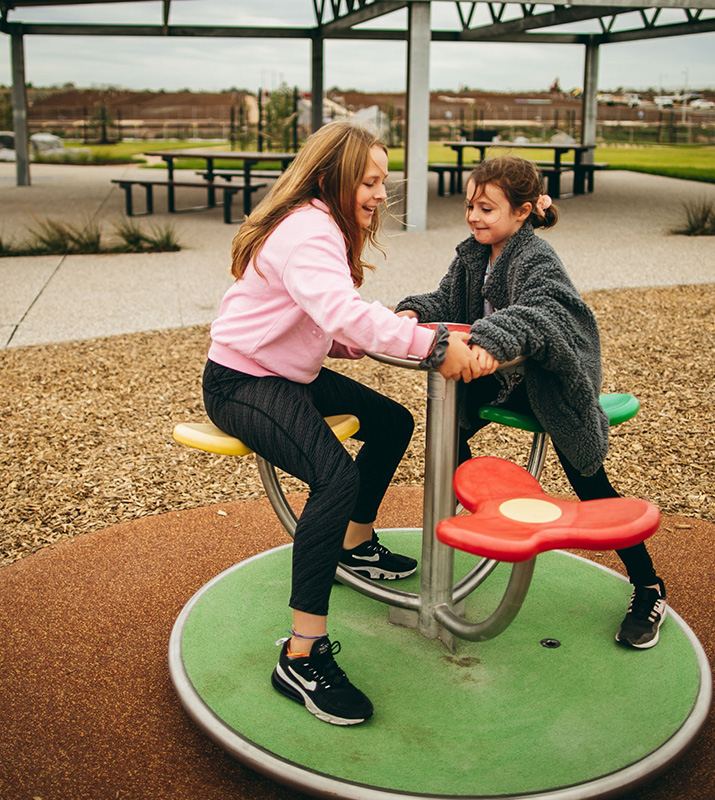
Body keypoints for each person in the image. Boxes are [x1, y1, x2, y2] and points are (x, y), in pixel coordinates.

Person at [202, 121, 480, 726]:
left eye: (384, 180)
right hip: (242, 381)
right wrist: (430, 346)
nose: (382, 193)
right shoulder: (309, 231)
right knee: (335, 480)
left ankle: (353, 546)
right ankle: (301, 655)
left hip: (283, 372)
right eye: (371, 181)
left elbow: (324, 323)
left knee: (392, 422)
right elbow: (342, 313)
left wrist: (391, 334)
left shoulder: (318, 224)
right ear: (333, 178)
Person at [395, 156, 667, 650]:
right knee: (443, 432)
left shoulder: (536, 259)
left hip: (553, 383)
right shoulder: (473, 255)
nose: (474, 217)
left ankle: (648, 585)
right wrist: (415, 310)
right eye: (469, 206)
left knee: (591, 483)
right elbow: (448, 300)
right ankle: (482, 521)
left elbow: (542, 313)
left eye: (486, 208)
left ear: (522, 213)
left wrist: (489, 341)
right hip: (503, 379)